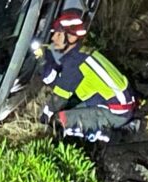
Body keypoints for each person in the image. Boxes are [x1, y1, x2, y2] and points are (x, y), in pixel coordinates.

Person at [38, 9, 136, 142]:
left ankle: (115, 133)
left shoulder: (75, 63)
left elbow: (59, 98)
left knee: (59, 121)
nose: (54, 38)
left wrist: (45, 116)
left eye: (58, 34)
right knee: (68, 109)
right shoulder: (82, 54)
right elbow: (63, 84)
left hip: (116, 112)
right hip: (114, 103)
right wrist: (46, 61)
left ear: (71, 37)